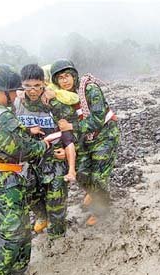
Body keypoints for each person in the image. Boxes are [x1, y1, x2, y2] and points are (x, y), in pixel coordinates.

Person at [0, 64, 51, 274]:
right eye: (13, 91)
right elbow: (22, 151)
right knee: (9, 236)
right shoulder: (2, 117)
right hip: (4, 184)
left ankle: (18, 270)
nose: (16, 95)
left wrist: (24, 132)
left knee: (21, 230)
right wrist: (43, 145)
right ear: (3, 91)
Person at [45, 59, 120, 226]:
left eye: (67, 76)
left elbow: (98, 120)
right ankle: (92, 192)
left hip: (104, 134)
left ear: (74, 75)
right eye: (60, 78)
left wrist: (71, 126)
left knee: (98, 177)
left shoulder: (89, 89)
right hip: (84, 138)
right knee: (81, 173)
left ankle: (101, 210)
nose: (65, 80)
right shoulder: (61, 96)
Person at [15, 64, 76, 238]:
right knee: (29, 194)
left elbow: (72, 131)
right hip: (30, 160)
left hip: (55, 159)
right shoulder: (16, 103)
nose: (32, 91)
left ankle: (57, 237)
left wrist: (68, 155)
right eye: (28, 86)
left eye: (37, 86)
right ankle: (42, 216)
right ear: (22, 85)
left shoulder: (54, 103)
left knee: (56, 201)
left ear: (43, 83)